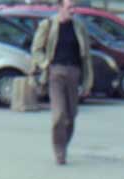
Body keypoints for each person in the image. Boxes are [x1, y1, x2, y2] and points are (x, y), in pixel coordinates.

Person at [31, 0, 93, 165]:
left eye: (74, 7)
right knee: (59, 115)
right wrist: (45, 64)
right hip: (55, 73)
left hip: (74, 73)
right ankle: (59, 152)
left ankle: (63, 144)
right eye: (69, 7)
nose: (73, 10)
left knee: (71, 116)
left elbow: (86, 57)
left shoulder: (79, 27)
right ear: (60, 8)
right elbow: (36, 49)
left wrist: (87, 82)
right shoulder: (48, 25)